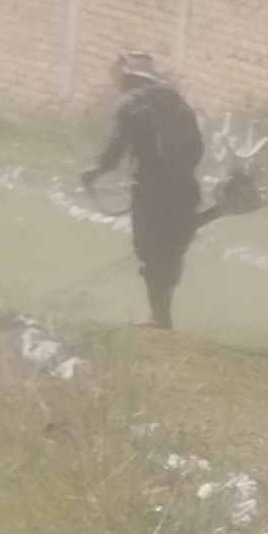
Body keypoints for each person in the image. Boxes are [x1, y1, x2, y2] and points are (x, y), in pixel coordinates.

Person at [82, 49, 208, 329]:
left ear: (127, 77)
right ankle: (163, 315)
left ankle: (159, 318)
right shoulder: (176, 101)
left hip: (152, 190)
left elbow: (116, 146)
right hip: (185, 188)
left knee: (150, 251)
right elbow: (197, 148)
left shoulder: (129, 104)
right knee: (171, 251)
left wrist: (95, 171)